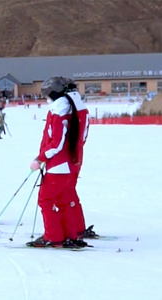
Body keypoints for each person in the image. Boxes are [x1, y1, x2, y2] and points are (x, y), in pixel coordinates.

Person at [27, 76, 85, 248]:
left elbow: (57, 143)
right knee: (63, 200)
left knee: (45, 199)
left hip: (58, 165)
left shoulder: (59, 113)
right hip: (68, 164)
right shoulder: (68, 110)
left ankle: (53, 236)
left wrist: (40, 158)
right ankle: (69, 235)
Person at [63, 78, 97, 241]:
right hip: (77, 156)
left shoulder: (70, 108)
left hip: (69, 156)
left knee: (64, 194)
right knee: (70, 193)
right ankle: (78, 227)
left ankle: (71, 229)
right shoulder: (81, 107)